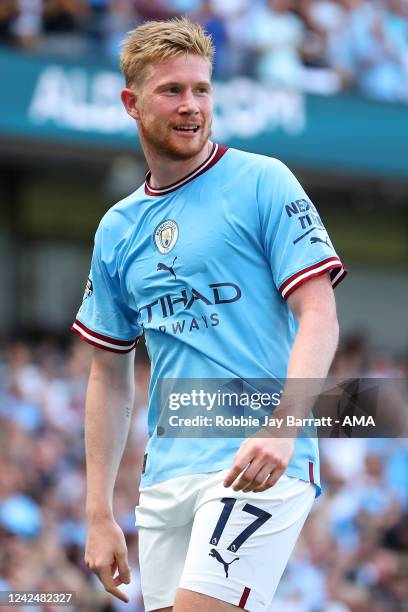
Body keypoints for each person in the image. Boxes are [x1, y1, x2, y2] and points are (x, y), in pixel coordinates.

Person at [71, 17, 347, 612]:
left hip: (258, 459)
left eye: (202, 89)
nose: (191, 105)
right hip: (166, 475)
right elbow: (108, 374)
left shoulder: (262, 181)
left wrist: (283, 426)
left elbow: (319, 316)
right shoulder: (117, 228)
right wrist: (97, 512)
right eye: (172, 90)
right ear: (131, 102)